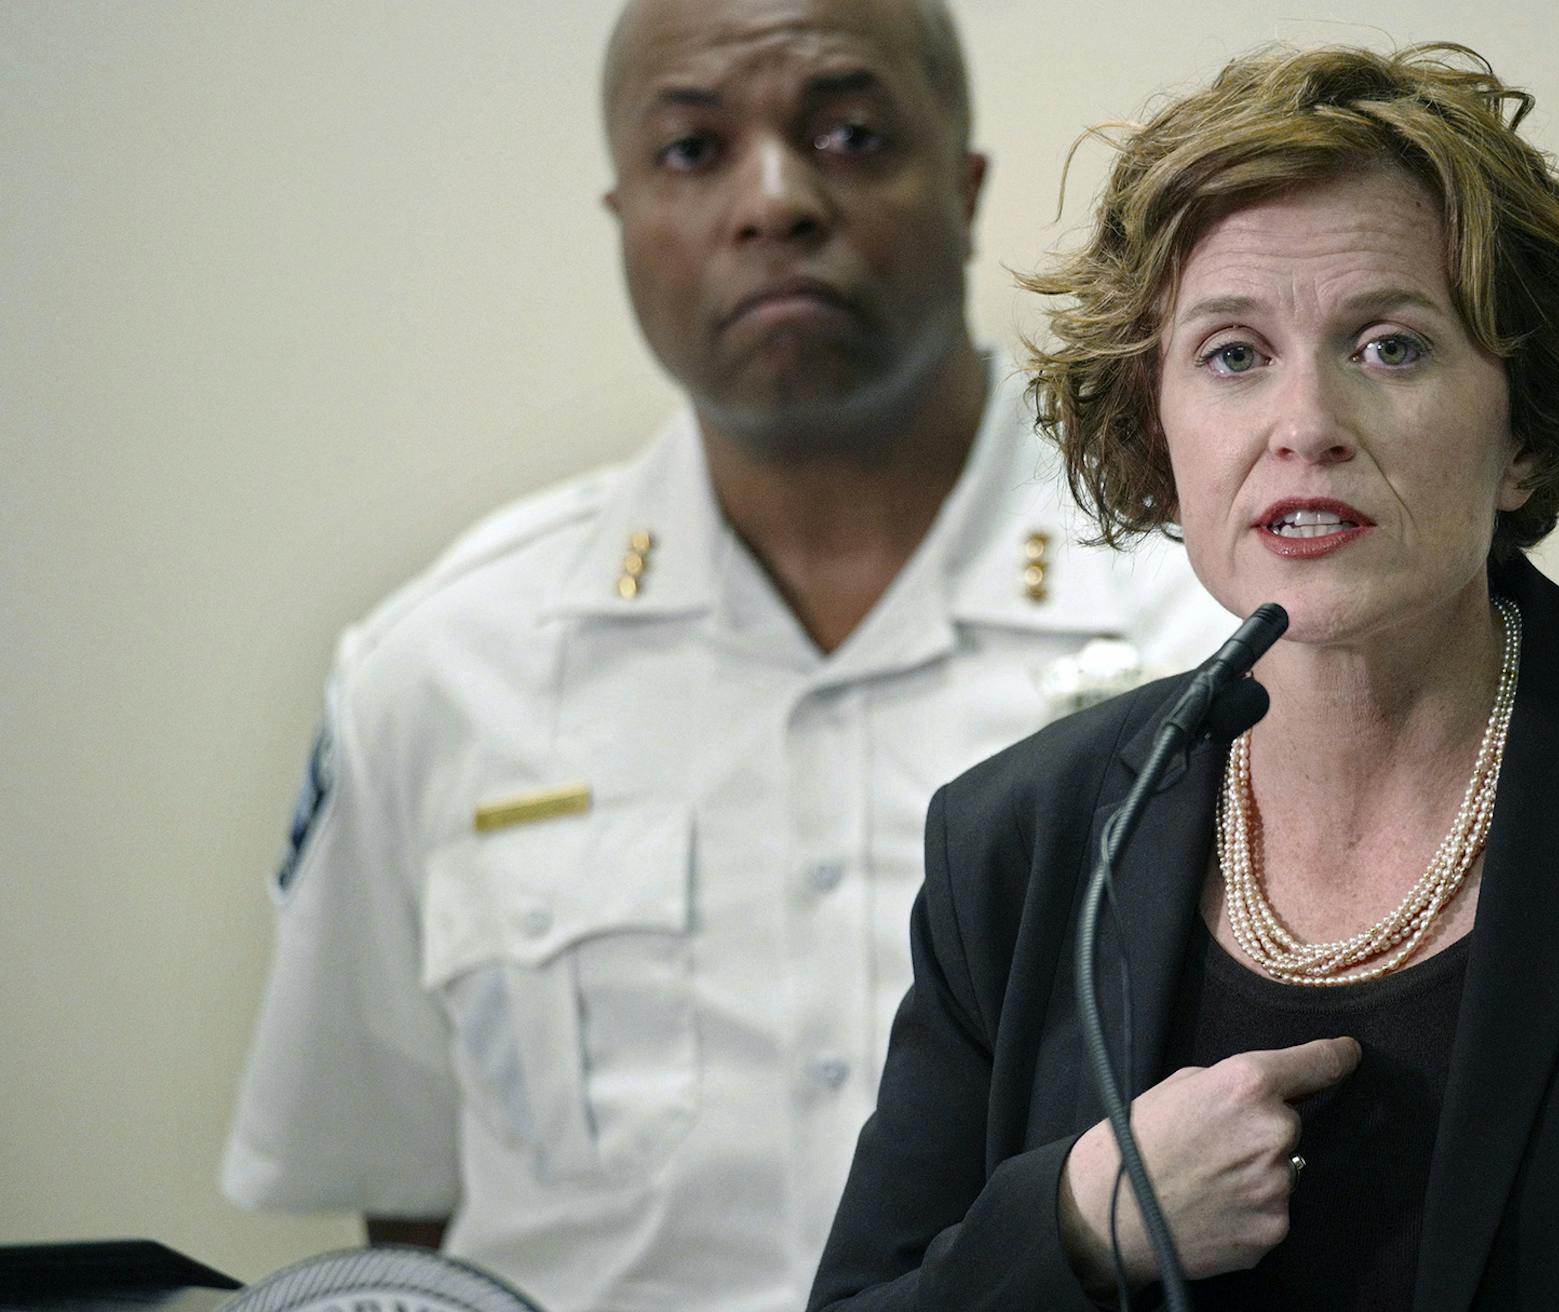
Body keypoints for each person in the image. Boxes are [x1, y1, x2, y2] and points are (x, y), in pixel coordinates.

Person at [810, 41, 1559, 1311]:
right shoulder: (1020, 845)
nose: (1306, 425)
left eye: (1389, 346)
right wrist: (1079, 1222)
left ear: (1523, 432)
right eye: (1233, 355)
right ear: (1154, 433)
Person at [218, 1, 1221, 1308]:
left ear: (967, 187)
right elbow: (405, 1219)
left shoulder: (1211, 631)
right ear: (624, 216)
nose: (774, 201)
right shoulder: (439, 670)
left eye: (849, 134)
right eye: (693, 150)